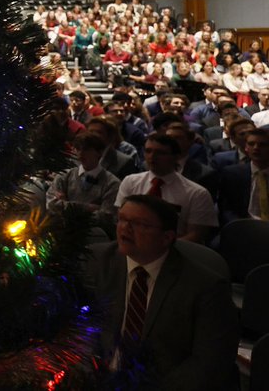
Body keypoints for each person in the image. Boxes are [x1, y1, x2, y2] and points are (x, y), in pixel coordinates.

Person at [88, 195, 238, 390]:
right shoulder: (95, 263)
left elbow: (210, 361)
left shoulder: (206, 287)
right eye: (122, 219)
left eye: (139, 224)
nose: (125, 228)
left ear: (167, 237)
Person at [115, 133, 217, 244]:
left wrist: (160, 247)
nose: (152, 157)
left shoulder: (196, 194)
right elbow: (120, 220)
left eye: (160, 153)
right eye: (148, 151)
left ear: (176, 157)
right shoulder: (130, 182)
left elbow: (196, 235)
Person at [46, 132, 121, 232]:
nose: (81, 154)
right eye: (78, 149)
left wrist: (66, 205)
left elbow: (105, 218)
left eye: (86, 149)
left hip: (95, 236)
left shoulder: (112, 183)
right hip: (61, 232)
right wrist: (88, 208)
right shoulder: (63, 176)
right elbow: (52, 206)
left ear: (100, 152)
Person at [217, 127, 269, 224]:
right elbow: (226, 209)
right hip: (243, 228)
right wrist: (241, 227)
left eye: (262, 145)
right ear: (246, 147)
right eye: (251, 144)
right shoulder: (232, 174)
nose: (256, 148)